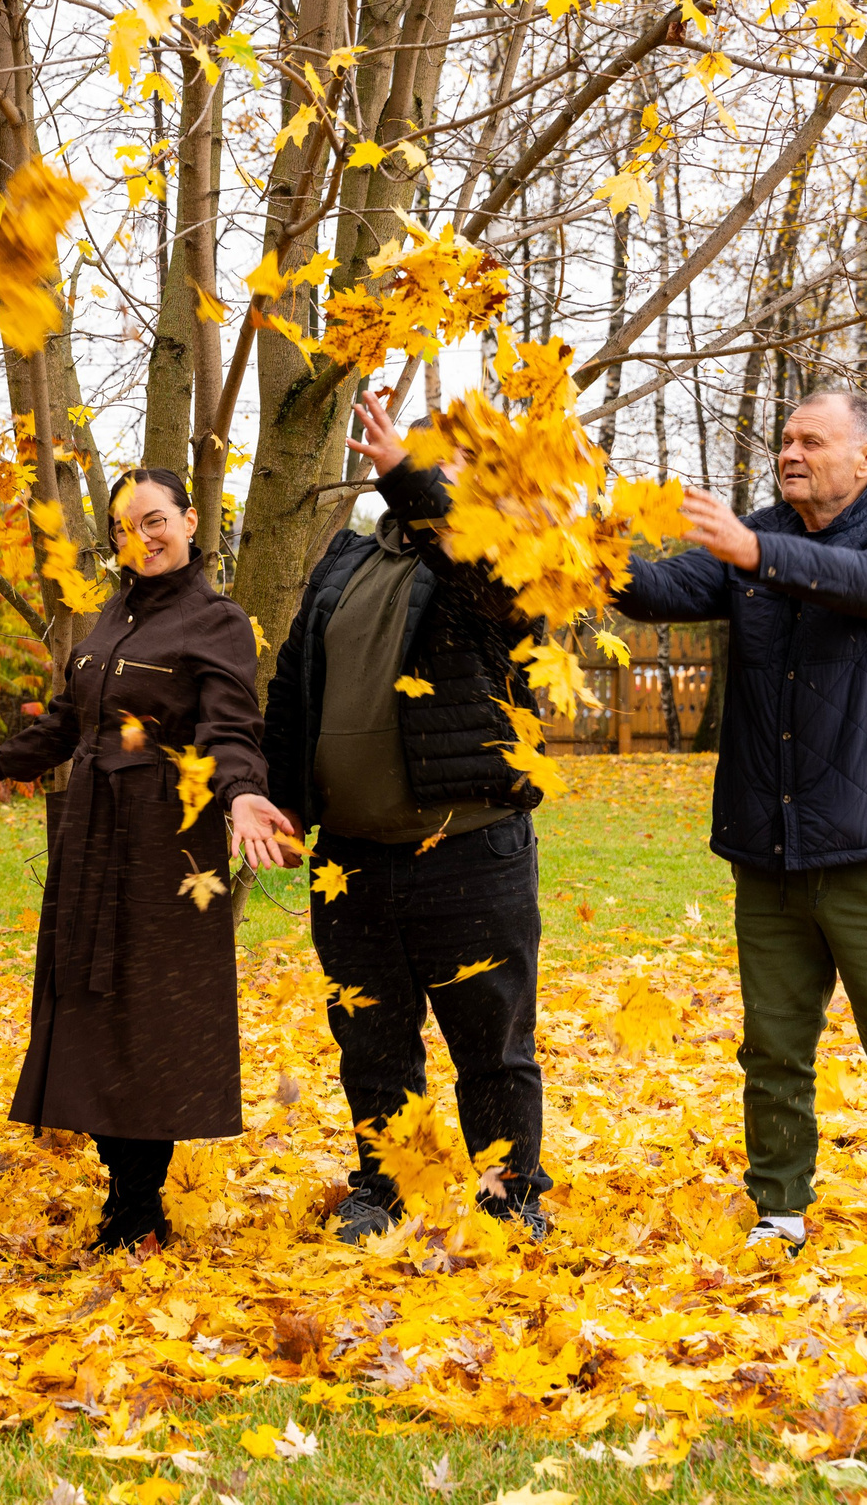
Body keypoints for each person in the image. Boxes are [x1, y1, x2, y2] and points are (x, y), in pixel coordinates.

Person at [615, 388, 867, 1253]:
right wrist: (568, 537)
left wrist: (756, 549)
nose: (790, 452)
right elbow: (653, 588)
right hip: (769, 850)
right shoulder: (755, 540)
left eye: (812, 439)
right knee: (772, 1048)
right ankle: (779, 1206)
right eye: (784, 439)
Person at [0, 469, 286, 1251]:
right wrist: (5, 764)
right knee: (91, 1009)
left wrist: (241, 793)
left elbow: (233, 727)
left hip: (166, 846)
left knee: (151, 1019)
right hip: (93, 838)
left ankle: (139, 1207)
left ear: (190, 519)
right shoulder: (108, 618)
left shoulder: (218, 621)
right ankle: (126, 1196)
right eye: (129, 527)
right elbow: (75, 717)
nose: (146, 536)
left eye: (158, 519)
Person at [259, 389, 552, 1243]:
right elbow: (291, 685)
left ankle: (510, 1193)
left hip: (467, 848)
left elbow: (490, 585)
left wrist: (414, 484)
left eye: (443, 462)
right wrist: (283, 792)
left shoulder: (502, 558)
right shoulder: (344, 558)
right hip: (352, 856)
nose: (423, 472)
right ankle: (383, 1187)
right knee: (371, 1035)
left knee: (490, 1036)